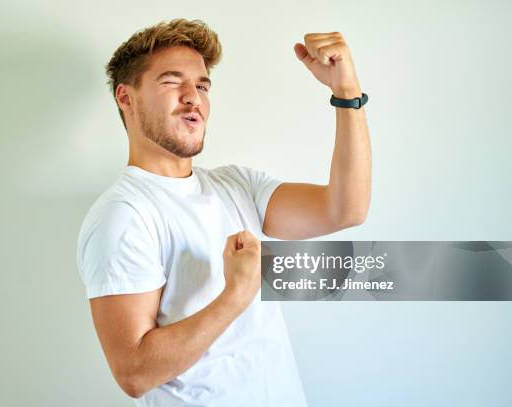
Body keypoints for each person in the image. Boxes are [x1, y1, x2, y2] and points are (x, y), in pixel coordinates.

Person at [76, 18, 371, 406]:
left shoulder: (237, 185)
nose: (193, 97)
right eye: (171, 81)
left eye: (201, 85)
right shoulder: (123, 215)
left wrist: (346, 93)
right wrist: (236, 296)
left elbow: (345, 209)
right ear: (126, 98)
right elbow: (134, 372)